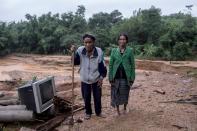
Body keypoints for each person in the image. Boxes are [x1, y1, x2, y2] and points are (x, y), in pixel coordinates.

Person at [71, 34, 107, 119]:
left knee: (97, 97)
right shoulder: (80, 50)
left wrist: (101, 78)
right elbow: (75, 62)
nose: (87, 44)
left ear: (93, 42)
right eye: (85, 42)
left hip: (96, 78)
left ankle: (98, 112)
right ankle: (88, 112)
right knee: (86, 97)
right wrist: (73, 53)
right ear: (83, 43)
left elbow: (103, 67)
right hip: (84, 79)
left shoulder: (99, 51)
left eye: (90, 42)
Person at [108, 33, 135, 116]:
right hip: (116, 77)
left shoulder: (130, 51)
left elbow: (132, 65)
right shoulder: (114, 51)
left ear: (126, 41)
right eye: (120, 39)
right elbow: (111, 65)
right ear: (118, 41)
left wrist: (132, 77)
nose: (122, 41)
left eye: (124, 39)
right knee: (116, 93)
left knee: (125, 93)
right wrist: (110, 77)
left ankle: (125, 107)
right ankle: (117, 110)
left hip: (125, 77)